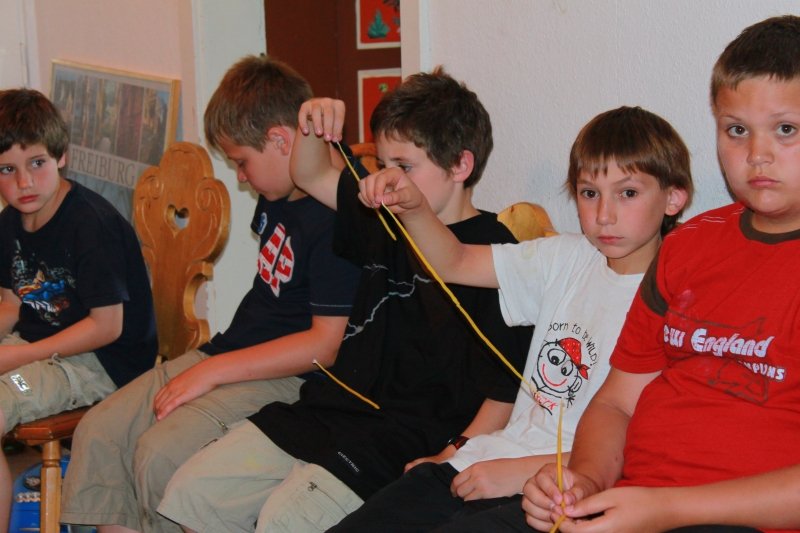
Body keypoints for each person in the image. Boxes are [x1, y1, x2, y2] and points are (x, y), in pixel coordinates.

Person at [155, 67, 533, 533]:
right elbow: (309, 171)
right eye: (382, 164)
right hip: (331, 411)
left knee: (283, 521)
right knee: (193, 492)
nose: (386, 180)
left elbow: (506, 388)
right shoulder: (383, 216)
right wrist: (313, 121)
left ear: (460, 166)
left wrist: (453, 453)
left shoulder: (493, 256)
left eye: (404, 167)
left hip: (404, 437)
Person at [329, 105, 692, 533]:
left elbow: (642, 444)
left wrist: (521, 471)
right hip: (483, 459)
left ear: (674, 197)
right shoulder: (567, 257)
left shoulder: (682, 296)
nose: (604, 215)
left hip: (560, 486)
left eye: (627, 193)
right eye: (589, 193)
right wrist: (414, 208)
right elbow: (456, 262)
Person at [60, 55, 362, 533]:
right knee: (99, 431)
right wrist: (210, 364)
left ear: (281, 141)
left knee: (160, 452)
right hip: (231, 351)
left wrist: (211, 372)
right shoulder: (279, 187)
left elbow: (325, 346)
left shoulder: (340, 216)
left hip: (292, 376)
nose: (240, 177)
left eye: (241, 162)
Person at [524, 15, 800, 533]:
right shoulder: (688, 245)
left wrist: (667, 509)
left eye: (786, 129)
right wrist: (584, 481)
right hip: (631, 503)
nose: (757, 155)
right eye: (736, 130)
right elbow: (616, 403)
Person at [0, 88, 157, 530]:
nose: (24, 183)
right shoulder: (9, 222)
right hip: (43, 346)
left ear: (61, 156)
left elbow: (107, 327)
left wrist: (15, 357)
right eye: (7, 169)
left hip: (98, 361)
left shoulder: (92, 224)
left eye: (37, 163)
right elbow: (11, 305)